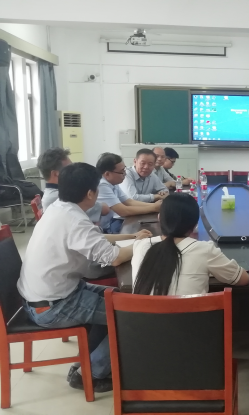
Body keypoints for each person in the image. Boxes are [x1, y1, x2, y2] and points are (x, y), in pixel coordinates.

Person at [17, 163, 151, 393]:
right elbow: (115, 258)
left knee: (121, 297)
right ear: (90, 193)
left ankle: (88, 362)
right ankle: (92, 374)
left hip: (48, 295)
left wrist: (132, 236)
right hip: (54, 306)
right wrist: (145, 244)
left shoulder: (60, 209)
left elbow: (94, 238)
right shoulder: (74, 219)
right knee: (132, 314)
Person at [132, 193, 249, 295]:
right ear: (195, 226)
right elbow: (243, 279)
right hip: (191, 315)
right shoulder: (205, 250)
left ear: (159, 218)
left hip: (142, 315)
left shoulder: (141, 246)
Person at [96, 153, 163, 234]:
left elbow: (129, 201)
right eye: (121, 172)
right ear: (107, 174)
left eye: (124, 170)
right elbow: (123, 211)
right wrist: (154, 208)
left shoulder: (113, 183)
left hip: (105, 226)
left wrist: (155, 206)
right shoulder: (102, 185)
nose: (125, 174)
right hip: (98, 231)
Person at [38, 148, 109, 222]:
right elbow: (105, 209)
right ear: (55, 174)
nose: (74, 171)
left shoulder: (54, 192)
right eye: (69, 169)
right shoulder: (59, 197)